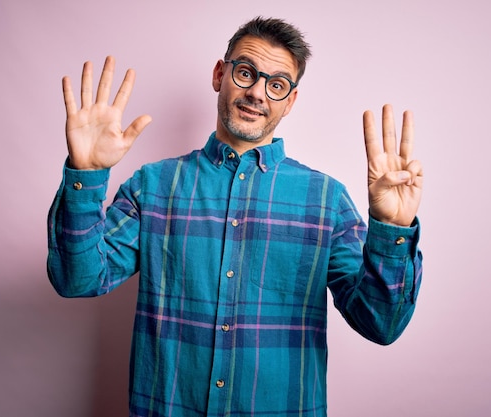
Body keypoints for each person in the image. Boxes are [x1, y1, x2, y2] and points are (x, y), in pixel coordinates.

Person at [47, 16, 423, 417]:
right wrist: (85, 175)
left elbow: (381, 325)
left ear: (290, 101)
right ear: (219, 74)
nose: (257, 93)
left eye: (276, 84)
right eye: (246, 73)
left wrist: (392, 230)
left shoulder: (327, 201)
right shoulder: (153, 186)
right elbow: (78, 279)